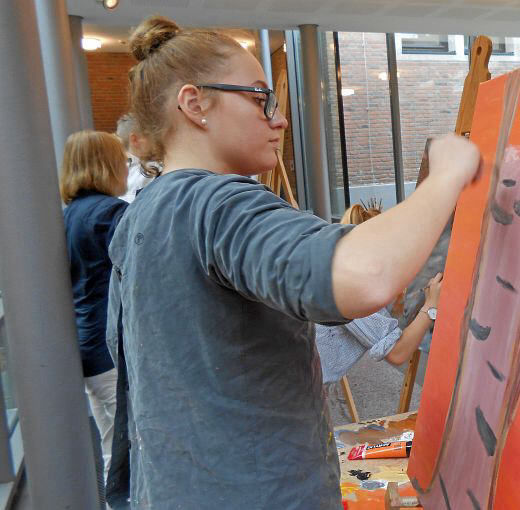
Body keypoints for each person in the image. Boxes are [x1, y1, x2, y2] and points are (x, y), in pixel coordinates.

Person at [106, 15, 481, 510]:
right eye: (261, 98)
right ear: (195, 104)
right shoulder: (219, 204)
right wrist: (447, 176)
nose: (279, 119)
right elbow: (364, 277)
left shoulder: (142, 215)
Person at [60, 130, 129, 483]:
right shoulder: (110, 214)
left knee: (111, 447)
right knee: (134, 449)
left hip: (88, 346)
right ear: (107, 164)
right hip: (112, 349)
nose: (127, 167)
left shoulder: (69, 215)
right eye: (122, 160)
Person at [316, 201, 443, 384]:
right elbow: (397, 353)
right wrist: (431, 306)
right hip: (292, 387)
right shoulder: (353, 286)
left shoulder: (342, 270)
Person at [115, 113, 154, 203]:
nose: (157, 141)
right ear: (135, 139)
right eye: (150, 136)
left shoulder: (113, 170)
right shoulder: (151, 170)